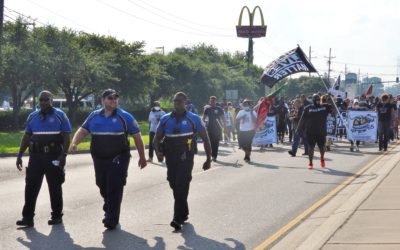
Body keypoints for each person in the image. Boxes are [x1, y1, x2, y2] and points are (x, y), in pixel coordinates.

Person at [69, 89, 147, 229]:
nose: (114, 100)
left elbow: (137, 137)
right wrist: (74, 143)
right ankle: (109, 207)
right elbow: (82, 131)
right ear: (103, 100)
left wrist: (142, 157)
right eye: (110, 98)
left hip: (119, 157)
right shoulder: (94, 116)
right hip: (99, 158)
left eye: (115, 98)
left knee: (114, 186)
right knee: (102, 184)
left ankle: (111, 219)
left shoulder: (125, 117)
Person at [153, 92, 212, 231]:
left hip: (186, 156)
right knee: (173, 183)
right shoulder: (165, 119)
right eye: (175, 101)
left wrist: (208, 159)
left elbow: (205, 138)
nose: (177, 103)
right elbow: (156, 138)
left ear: (185, 102)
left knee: (181, 183)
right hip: (171, 157)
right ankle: (184, 212)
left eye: (180, 101)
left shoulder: (194, 119)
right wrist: (158, 152)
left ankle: (177, 218)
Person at [16, 91, 71, 227]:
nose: (43, 102)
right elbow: (27, 136)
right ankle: (28, 218)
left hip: (53, 156)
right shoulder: (32, 116)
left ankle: (57, 216)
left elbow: (66, 136)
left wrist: (63, 155)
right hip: (35, 157)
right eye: (41, 100)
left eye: (46, 99)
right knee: (31, 187)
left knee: (55, 187)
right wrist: (19, 155)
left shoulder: (60, 115)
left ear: (51, 100)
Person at [298, 94, 333, 169]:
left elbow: (333, 110)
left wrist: (330, 99)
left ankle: (322, 158)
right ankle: (310, 163)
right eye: (316, 100)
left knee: (322, 147)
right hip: (310, 131)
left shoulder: (324, 107)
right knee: (311, 147)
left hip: (321, 131)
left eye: (318, 100)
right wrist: (298, 129)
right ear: (313, 101)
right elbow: (302, 119)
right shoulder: (308, 108)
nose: (317, 101)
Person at [203, 96, 225, 162]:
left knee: (216, 143)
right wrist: (205, 122)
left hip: (218, 128)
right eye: (211, 101)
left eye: (213, 101)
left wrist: (224, 124)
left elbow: (223, 118)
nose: (212, 102)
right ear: (209, 101)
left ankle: (214, 156)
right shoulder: (207, 109)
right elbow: (203, 118)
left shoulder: (219, 109)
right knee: (210, 143)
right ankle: (211, 155)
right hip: (209, 128)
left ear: (215, 101)